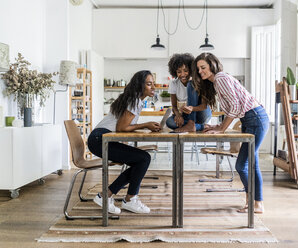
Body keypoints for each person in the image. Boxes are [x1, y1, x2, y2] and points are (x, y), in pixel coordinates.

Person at [192, 53, 269, 214]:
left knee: (243, 165)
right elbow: (234, 109)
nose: (200, 71)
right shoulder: (217, 81)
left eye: (203, 67)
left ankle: (256, 203)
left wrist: (221, 129)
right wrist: (219, 125)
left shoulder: (220, 78)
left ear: (212, 65)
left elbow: (234, 106)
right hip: (251, 119)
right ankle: (254, 203)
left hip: (255, 118)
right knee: (250, 164)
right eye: (198, 69)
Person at [87, 70, 161, 214]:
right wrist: (145, 125)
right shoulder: (134, 100)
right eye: (149, 84)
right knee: (144, 158)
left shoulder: (134, 99)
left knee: (140, 160)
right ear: (140, 85)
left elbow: (122, 129)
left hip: (101, 139)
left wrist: (123, 150)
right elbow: (122, 127)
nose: (153, 87)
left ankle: (114, 197)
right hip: (100, 140)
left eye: (153, 84)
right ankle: (126, 199)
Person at [165, 53, 212, 132]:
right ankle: (200, 127)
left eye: (186, 71)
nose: (183, 74)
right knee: (169, 122)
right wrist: (178, 115)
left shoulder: (198, 82)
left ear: (191, 70)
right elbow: (174, 106)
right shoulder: (174, 83)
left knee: (191, 83)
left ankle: (191, 124)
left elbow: (204, 106)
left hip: (201, 114)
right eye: (179, 72)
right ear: (175, 72)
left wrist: (192, 108)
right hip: (187, 115)